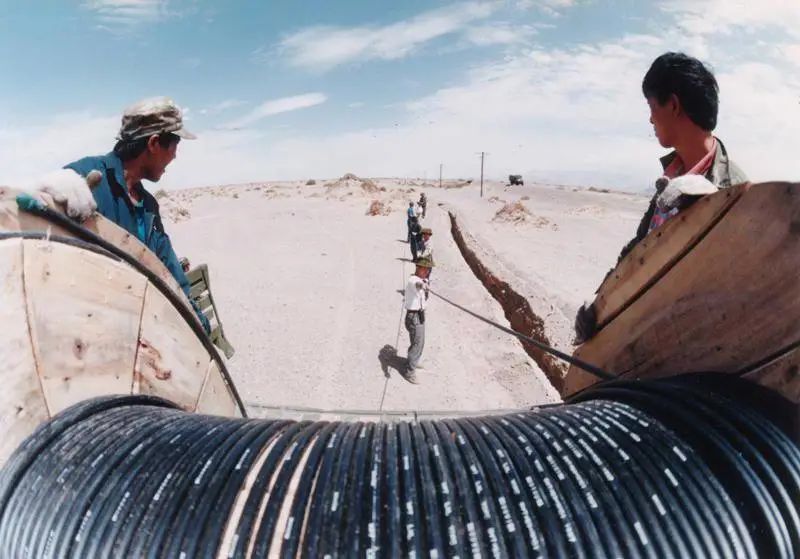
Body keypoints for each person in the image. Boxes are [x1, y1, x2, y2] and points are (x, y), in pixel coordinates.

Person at [574, 52, 748, 344]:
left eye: (652, 106)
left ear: (673, 105)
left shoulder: (732, 192)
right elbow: (640, 249)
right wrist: (600, 305)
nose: (650, 118)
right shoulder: (671, 175)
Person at [28, 96, 210, 332]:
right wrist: (48, 191)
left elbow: (172, 273)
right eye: (175, 144)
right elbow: (33, 225)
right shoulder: (86, 177)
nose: (175, 155)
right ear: (154, 143)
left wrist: (201, 327)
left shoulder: (148, 206)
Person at [404, 257, 434, 384]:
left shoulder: (423, 279)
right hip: (414, 317)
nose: (427, 271)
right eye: (425, 269)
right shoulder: (413, 280)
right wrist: (423, 285)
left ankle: (413, 361)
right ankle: (409, 372)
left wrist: (425, 284)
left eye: (428, 269)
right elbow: (417, 285)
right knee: (417, 344)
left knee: (419, 342)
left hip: (419, 315)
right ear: (418, 268)